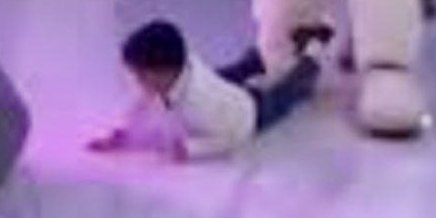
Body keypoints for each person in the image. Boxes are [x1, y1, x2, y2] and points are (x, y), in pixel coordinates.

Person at [87, 21, 322, 161]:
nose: (136, 81)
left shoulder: (198, 106)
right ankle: (260, 56)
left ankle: (312, 53)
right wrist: (125, 135)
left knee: (288, 92)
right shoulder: (174, 67)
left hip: (248, 114)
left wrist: (191, 149)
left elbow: (232, 138)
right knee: (235, 71)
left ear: (163, 72)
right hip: (210, 81)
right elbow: (143, 103)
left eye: (139, 74)